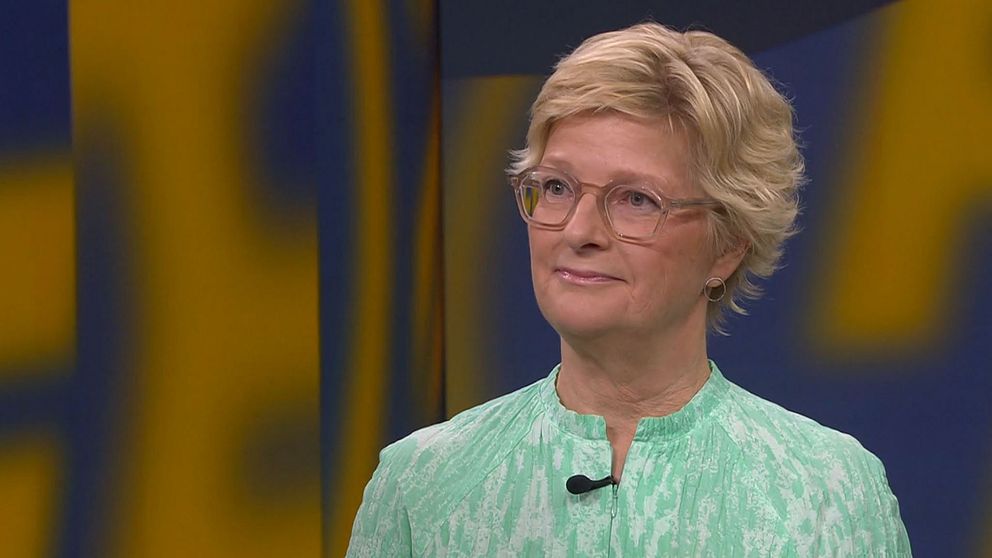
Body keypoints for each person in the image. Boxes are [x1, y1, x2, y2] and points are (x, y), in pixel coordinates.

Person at [347, 22, 911, 556]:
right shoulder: (422, 484)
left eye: (637, 199)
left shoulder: (826, 493)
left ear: (728, 246)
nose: (579, 232)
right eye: (557, 187)